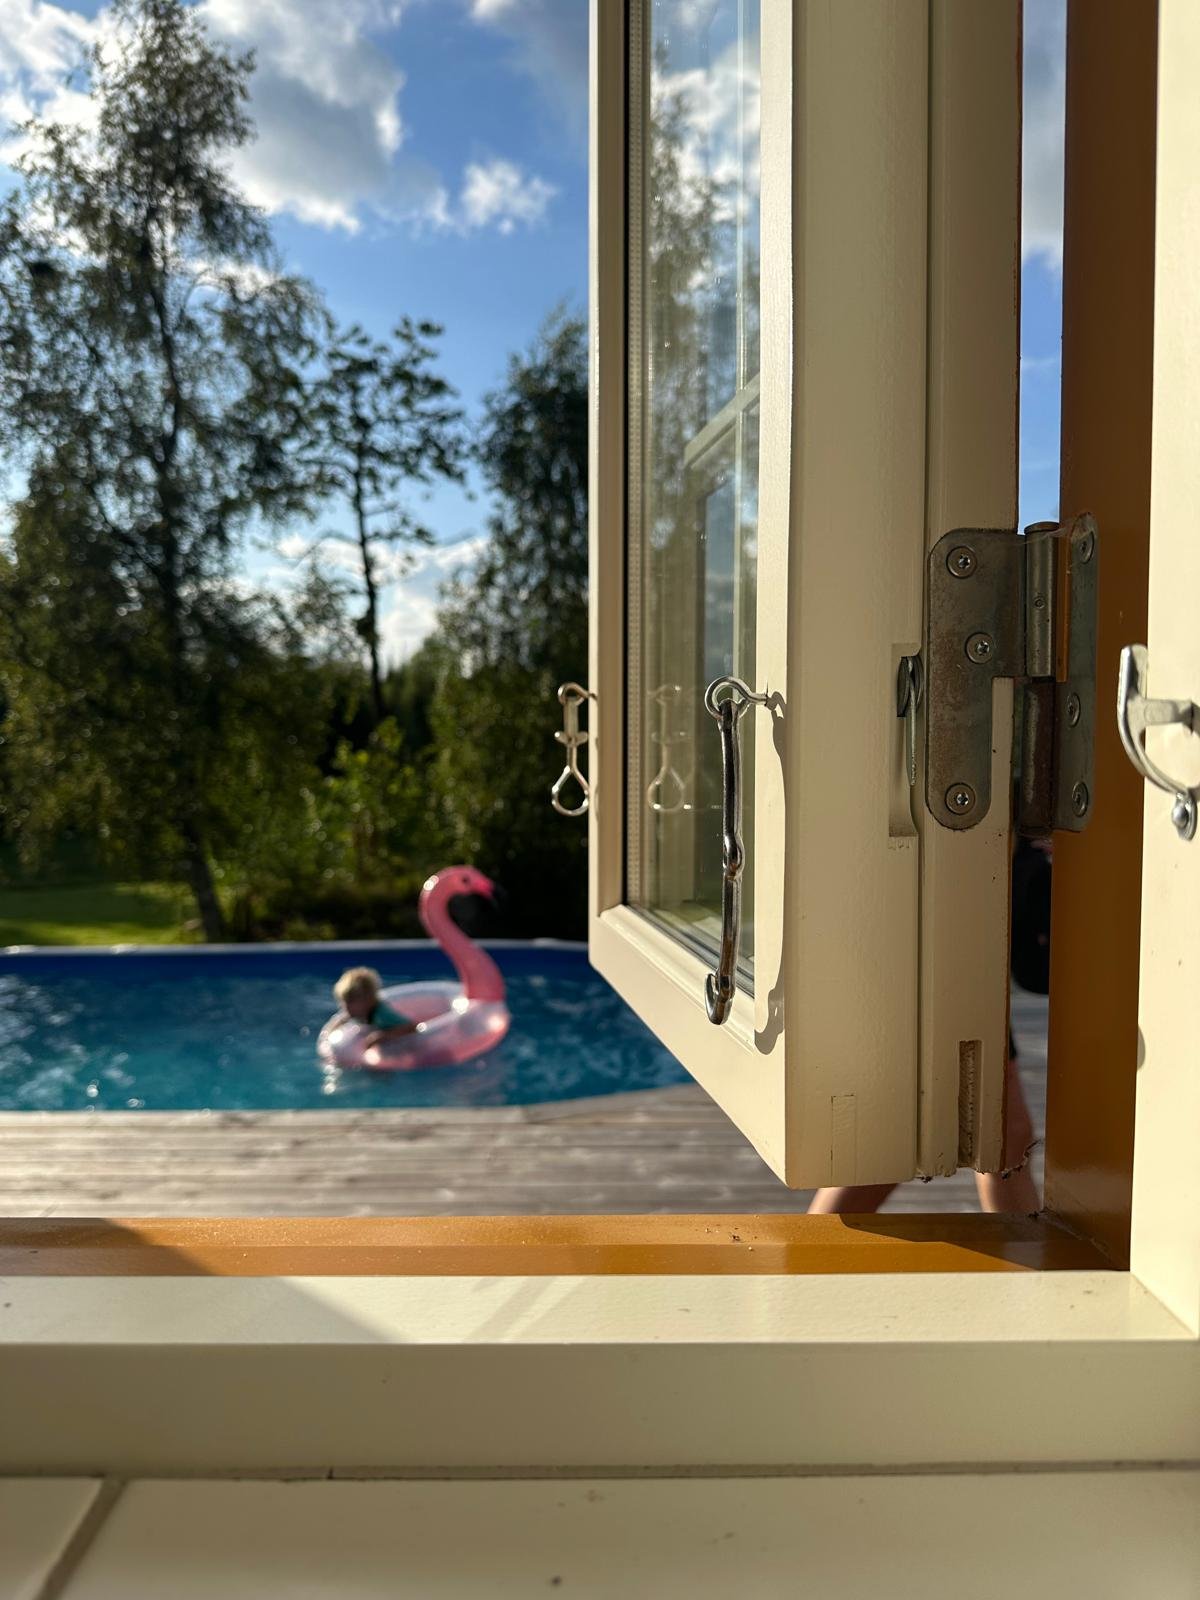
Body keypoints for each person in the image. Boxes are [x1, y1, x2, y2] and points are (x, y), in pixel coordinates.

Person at [808, 835, 1048, 1217]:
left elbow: (1033, 969)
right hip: (931, 969)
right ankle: (811, 1258)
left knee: (999, 1139)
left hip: (942, 967)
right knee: (908, 1142)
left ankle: (810, 1258)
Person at [333, 967, 418, 1050]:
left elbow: (411, 1028)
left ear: (368, 999)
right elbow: (343, 1019)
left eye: (351, 1001)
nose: (346, 1007)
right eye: (344, 1001)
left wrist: (382, 1036)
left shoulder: (381, 1014)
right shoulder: (356, 1013)